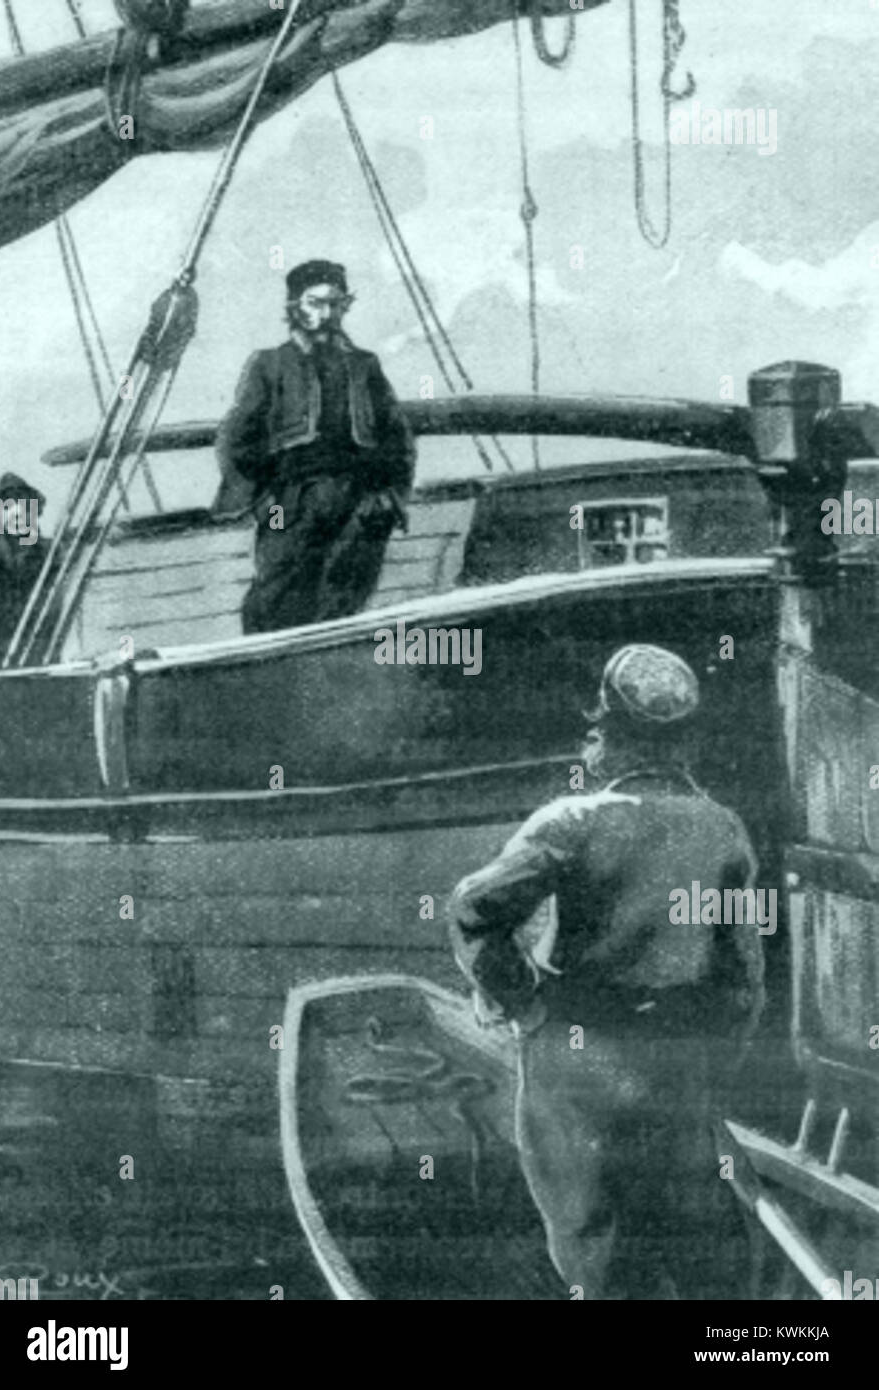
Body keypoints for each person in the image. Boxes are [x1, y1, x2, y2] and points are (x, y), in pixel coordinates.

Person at [448, 644, 767, 1300]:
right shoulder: (723, 830)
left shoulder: (569, 823)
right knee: (692, 1225)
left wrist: (520, 1002)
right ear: (683, 746)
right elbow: (741, 979)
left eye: (597, 730)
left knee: (591, 1232)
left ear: (612, 740)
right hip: (675, 1058)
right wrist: (711, 1063)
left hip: (575, 1055)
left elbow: (473, 910)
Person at [216, 260, 416, 634]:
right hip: (290, 501)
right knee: (277, 595)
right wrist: (263, 502)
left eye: (335, 304)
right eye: (315, 303)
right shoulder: (269, 364)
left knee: (345, 596)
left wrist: (390, 496)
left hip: (359, 500)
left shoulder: (364, 365)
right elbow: (237, 440)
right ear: (295, 306)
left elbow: (397, 439)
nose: (326, 314)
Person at [0, 474, 52, 670]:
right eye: (8, 507)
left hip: (43, 660)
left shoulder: (54, 556)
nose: (18, 512)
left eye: (25, 504)